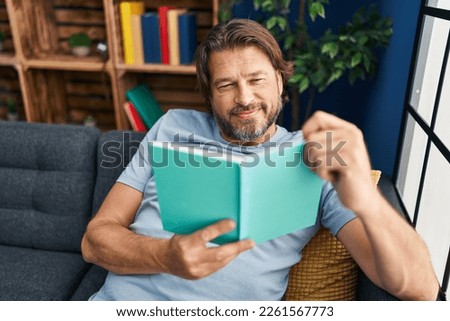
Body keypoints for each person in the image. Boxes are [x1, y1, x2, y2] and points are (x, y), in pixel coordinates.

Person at [81, 19, 440, 300]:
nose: (245, 98)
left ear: (281, 82)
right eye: (226, 86)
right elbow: (95, 240)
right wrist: (165, 256)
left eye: (257, 79)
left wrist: (366, 198)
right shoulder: (171, 126)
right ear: (209, 95)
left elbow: (421, 288)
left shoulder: (314, 154)